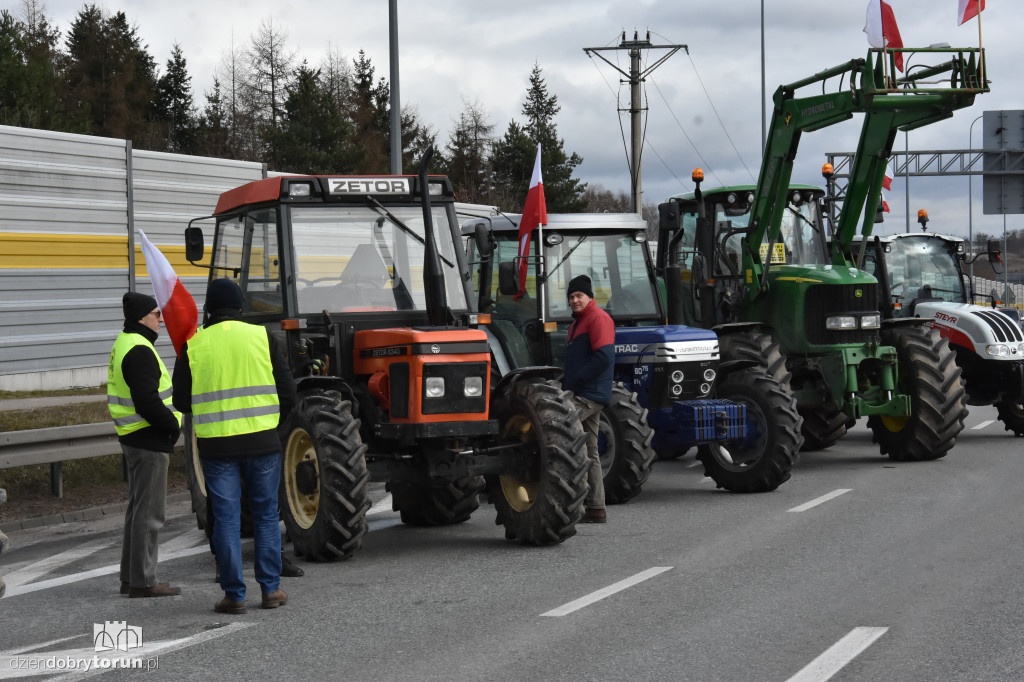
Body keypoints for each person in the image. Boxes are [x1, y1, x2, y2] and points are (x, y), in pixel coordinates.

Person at [172, 278, 296, 614]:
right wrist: (270, 426)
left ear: (209, 309)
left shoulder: (194, 346)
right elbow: (288, 393)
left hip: (218, 447)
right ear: (240, 306)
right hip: (263, 444)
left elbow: (182, 400)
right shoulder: (261, 337)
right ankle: (271, 590)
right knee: (266, 516)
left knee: (225, 520)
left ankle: (235, 595)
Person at [108, 292, 183, 598]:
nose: (161, 320)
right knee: (150, 514)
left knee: (138, 511)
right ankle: (143, 581)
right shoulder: (139, 350)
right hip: (148, 439)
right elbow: (148, 402)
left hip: (136, 438)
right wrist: (173, 425)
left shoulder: (126, 342)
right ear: (142, 318)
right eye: (156, 314)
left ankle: (130, 577)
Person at [563, 275, 615, 524]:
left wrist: (576, 381)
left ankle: (572, 504)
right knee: (589, 450)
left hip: (589, 395)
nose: (574, 300)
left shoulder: (598, 318)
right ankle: (596, 507)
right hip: (583, 392)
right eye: (571, 297)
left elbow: (604, 357)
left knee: (557, 426)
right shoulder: (577, 324)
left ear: (589, 297)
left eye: (579, 296)